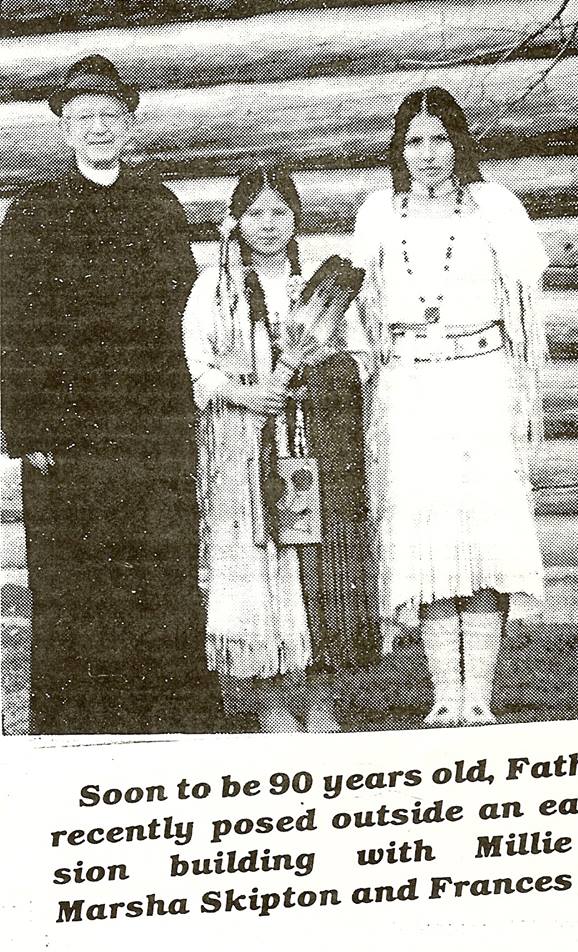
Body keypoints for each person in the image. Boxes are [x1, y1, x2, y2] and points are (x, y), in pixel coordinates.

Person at [0, 55, 220, 734]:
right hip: (67, 436)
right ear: (65, 131)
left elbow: (189, 316)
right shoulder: (36, 209)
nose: (98, 129)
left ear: (129, 125)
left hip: (152, 428)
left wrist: (187, 416)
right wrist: (27, 429)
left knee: (158, 566)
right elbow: (9, 320)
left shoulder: (157, 205)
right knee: (76, 579)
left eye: (110, 117)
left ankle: (169, 721)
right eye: (84, 118)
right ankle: (79, 727)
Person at [352, 87, 547, 726]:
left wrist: (521, 382)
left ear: (459, 145)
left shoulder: (493, 207)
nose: (428, 153)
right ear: (399, 152)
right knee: (430, 533)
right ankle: (443, 696)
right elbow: (359, 300)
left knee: (482, 530)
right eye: (415, 141)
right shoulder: (380, 213)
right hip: (412, 382)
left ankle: (479, 698)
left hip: (482, 378)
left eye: (440, 139)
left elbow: (525, 290)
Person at [182, 166, 378, 734]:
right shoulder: (213, 292)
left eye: (279, 213)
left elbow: (363, 361)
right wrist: (247, 393)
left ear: (296, 220)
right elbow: (200, 374)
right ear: (236, 223)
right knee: (258, 568)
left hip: (310, 444)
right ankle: (267, 698)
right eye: (256, 213)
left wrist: (320, 366)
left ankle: (314, 694)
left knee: (313, 570)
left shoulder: (317, 291)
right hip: (241, 451)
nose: (268, 225)